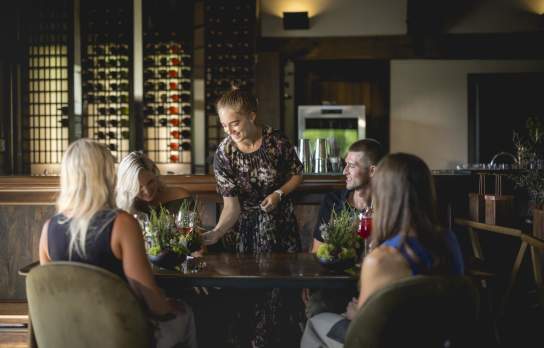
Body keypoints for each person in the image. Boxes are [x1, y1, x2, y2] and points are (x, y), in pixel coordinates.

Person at [38, 139, 197, 348]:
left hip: (68, 335)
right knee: (186, 314)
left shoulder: (48, 229)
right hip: (119, 333)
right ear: (107, 175)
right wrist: (168, 307)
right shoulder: (122, 222)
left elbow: (51, 292)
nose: (146, 191)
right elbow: (149, 297)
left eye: (149, 183)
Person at [301, 153, 464, 348]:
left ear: (385, 194)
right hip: (437, 340)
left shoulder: (379, 260)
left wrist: (355, 313)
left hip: (386, 341)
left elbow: (363, 329)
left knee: (315, 323)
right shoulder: (449, 241)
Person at [201, 88, 304, 347]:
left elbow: (297, 173)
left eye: (234, 123)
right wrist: (214, 234)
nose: (229, 131)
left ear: (252, 116)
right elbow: (231, 207)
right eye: (225, 125)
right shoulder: (224, 154)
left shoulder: (277, 141)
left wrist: (280, 193)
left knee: (281, 299)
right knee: (246, 302)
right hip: (243, 236)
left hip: (280, 231)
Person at [303, 139, 384, 319]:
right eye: (345, 165)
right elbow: (317, 252)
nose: (344, 171)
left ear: (372, 171)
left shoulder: (386, 208)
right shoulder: (333, 202)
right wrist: (311, 282)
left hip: (374, 285)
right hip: (335, 286)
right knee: (316, 306)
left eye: (351, 166)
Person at [116, 151, 192, 216]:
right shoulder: (121, 208)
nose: (147, 191)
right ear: (127, 186)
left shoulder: (180, 197)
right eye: (139, 186)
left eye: (150, 182)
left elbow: (193, 230)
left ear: (155, 174)